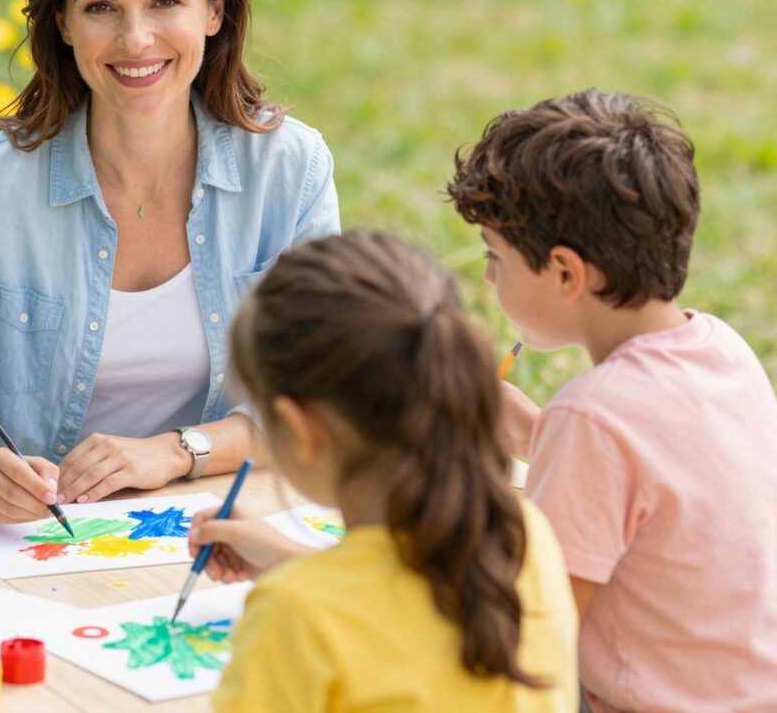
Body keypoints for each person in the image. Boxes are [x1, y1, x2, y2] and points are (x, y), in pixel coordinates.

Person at [0, 0, 340, 518]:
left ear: (216, 9)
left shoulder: (289, 169)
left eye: (165, 2)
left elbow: (316, 403)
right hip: (20, 543)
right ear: (63, 24)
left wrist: (171, 452)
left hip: (206, 524)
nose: (136, 40)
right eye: (100, 7)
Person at [447, 88, 777, 711]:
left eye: (495, 257)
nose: (489, 277)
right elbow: (653, 476)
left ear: (567, 274)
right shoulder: (721, 348)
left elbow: (536, 633)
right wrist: (530, 430)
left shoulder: (593, 416)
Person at [189, 231, 577, 712]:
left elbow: (356, 613)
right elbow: (402, 611)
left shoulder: (294, 616)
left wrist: (305, 583)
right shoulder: (525, 535)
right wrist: (297, 562)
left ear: (297, 426)